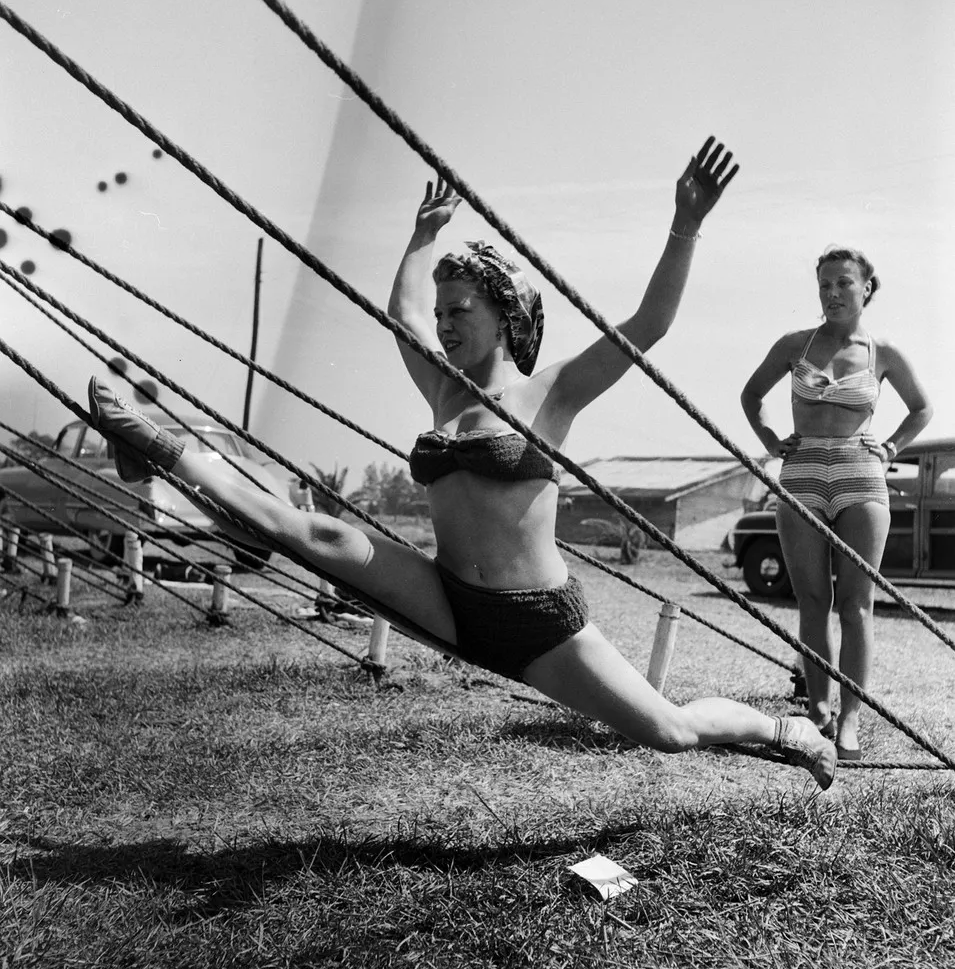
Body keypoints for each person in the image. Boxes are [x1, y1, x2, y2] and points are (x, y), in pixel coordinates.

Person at [87, 137, 838, 789]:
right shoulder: (442, 390)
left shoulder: (554, 394)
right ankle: (156, 444)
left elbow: (649, 325)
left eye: (460, 312)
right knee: (308, 533)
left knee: (669, 731)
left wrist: (685, 224)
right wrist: (422, 238)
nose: (444, 326)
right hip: (444, 595)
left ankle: (782, 732)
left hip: (537, 622)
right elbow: (402, 315)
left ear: (503, 314)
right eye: (443, 312)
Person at [741, 246, 932, 760]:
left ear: (867, 288)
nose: (832, 294)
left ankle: (849, 719)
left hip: (861, 477)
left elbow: (922, 407)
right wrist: (768, 438)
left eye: (844, 283)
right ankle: (818, 710)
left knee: (856, 604)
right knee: (811, 601)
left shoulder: (883, 351)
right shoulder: (794, 345)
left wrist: (891, 446)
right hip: (801, 473)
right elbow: (750, 395)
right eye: (824, 284)